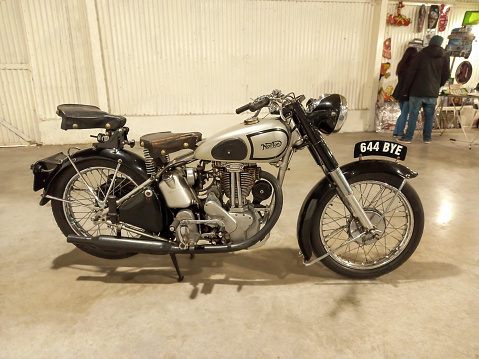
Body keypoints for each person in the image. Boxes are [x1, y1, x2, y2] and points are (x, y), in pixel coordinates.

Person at [398, 35, 450, 144]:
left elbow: (412, 73)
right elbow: (446, 75)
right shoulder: (445, 56)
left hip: (417, 91)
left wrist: (406, 90)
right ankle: (427, 138)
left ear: (430, 42)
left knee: (413, 115)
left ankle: (408, 138)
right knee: (429, 116)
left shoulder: (421, 54)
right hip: (432, 92)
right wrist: (437, 85)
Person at [392, 47, 418, 138]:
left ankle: (396, 131)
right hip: (407, 92)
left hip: (398, 91)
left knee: (403, 112)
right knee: (404, 113)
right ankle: (399, 132)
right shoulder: (412, 66)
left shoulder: (401, 64)